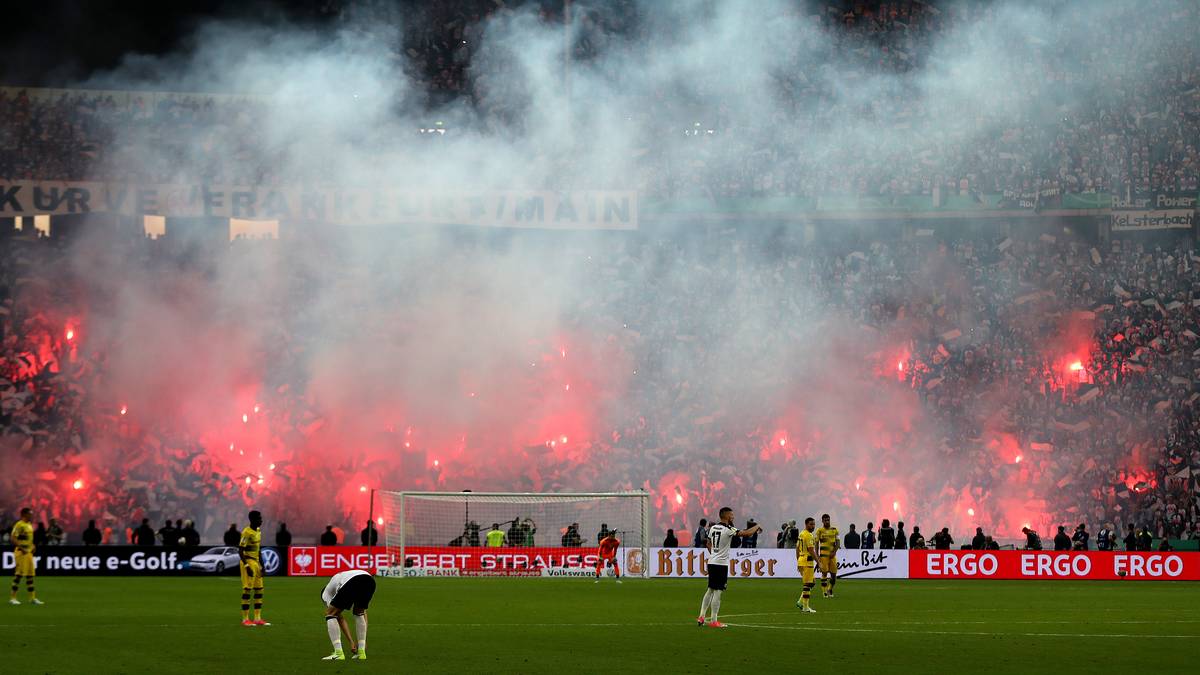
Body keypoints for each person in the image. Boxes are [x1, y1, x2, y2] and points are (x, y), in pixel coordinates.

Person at [697, 507, 762, 628]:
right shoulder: (728, 529)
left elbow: (708, 543)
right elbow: (747, 533)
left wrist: (713, 554)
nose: (733, 516)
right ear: (726, 516)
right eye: (731, 515)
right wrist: (757, 526)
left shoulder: (713, 528)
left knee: (710, 589)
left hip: (712, 562)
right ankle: (714, 620)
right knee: (718, 591)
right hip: (721, 564)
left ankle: (701, 616)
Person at [320, 569, 376, 661]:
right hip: (369, 580)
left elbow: (338, 617)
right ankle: (361, 653)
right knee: (359, 612)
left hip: (353, 581)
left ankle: (338, 653)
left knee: (330, 614)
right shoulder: (338, 581)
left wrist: (351, 642)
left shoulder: (325, 595)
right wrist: (362, 641)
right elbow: (363, 612)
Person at [239, 510, 268, 626]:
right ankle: (245, 619)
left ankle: (257, 618)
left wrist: (263, 565)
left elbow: (258, 550)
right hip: (248, 562)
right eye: (259, 518)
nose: (261, 520)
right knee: (247, 589)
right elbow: (240, 550)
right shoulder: (246, 532)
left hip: (256, 563)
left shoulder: (258, 531)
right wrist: (246, 566)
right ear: (252, 520)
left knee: (259, 589)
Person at [9, 508, 42, 605]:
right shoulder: (19, 524)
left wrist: (33, 546)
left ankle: (32, 598)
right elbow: (13, 538)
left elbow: (28, 538)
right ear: (24, 514)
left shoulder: (29, 524)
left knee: (30, 575)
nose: (31, 515)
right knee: (19, 575)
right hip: (21, 553)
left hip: (28, 553)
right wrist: (21, 547)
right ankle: (12, 598)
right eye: (30, 514)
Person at [794, 517, 819, 614]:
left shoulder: (801, 533)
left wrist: (798, 561)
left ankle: (800, 602)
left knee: (812, 582)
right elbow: (811, 550)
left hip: (802, 559)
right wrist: (819, 562)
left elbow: (797, 548)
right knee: (807, 584)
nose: (813, 526)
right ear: (806, 524)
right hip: (807, 561)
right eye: (811, 524)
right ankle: (805, 607)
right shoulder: (808, 535)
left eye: (814, 524)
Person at [815, 514, 839, 599]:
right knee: (824, 573)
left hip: (832, 556)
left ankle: (830, 589)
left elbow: (838, 543)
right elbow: (816, 544)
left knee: (834, 576)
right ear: (822, 521)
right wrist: (817, 555)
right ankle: (824, 592)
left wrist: (834, 552)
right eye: (825, 520)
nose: (827, 521)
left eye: (828, 520)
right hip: (823, 556)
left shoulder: (835, 530)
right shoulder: (819, 531)